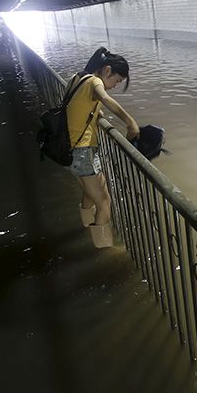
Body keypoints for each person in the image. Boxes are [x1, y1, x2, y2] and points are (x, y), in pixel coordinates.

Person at [66, 46, 140, 248]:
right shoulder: (95, 81)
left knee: (91, 193)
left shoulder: (77, 78)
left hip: (71, 149)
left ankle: (85, 225)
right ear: (107, 70)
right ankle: (104, 247)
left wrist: (95, 113)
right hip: (82, 151)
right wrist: (130, 122)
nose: (115, 86)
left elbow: (74, 106)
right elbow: (105, 98)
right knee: (104, 201)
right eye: (116, 80)